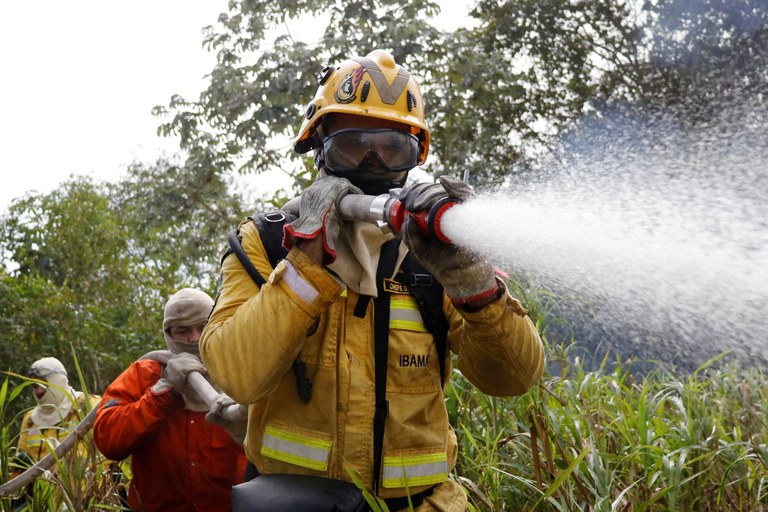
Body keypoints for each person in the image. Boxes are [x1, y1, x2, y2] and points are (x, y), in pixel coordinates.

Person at [200, 49, 545, 511]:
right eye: (354, 145)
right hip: (297, 505)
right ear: (318, 144)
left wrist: (472, 282)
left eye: (391, 149)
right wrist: (306, 262)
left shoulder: (432, 255)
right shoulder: (266, 243)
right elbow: (235, 374)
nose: (373, 163)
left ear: (415, 156)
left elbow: (514, 378)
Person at [93, 288, 247, 512]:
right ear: (168, 333)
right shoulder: (144, 374)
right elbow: (109, 441)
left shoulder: (243, 373)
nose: (194, 338)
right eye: (182, 330)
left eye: (203, 327)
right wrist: (162, 393)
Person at [13, 357, 102, 508]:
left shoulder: (88, 406)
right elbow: (18, 470)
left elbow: (108, 455)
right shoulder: (30, 420)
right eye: (34, 386)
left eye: (42, 384)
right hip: (42, 504)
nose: (38, 391)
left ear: (56, 381)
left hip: (83, 502)